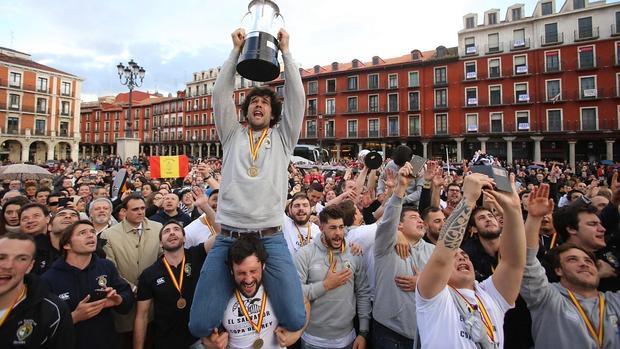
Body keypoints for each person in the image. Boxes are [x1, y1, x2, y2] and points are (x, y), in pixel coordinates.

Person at [190, 27, 306, 337]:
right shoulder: (231, 135)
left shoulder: (283, 139)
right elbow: (219, 95)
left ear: (273, 112)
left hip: (270, 237)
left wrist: (286, 52)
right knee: (199, 324)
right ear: (246, 110)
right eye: (253, 101)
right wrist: (235, 51)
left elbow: (298, 98)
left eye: (265, 103)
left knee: (295, 318)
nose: (258, 105)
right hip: (228, 236)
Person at [416, 173, 526, 348]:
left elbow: (513, 263)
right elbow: (442, 257)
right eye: (455, 257)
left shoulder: (490, 294)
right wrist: (467, 200)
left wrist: (513, 209)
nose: (461, 257)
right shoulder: (433, 297)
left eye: (465, 256)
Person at [521, 183, 620, 348]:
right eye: (573, 260)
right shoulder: (548, 298)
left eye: (589, 261)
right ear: (558, 269)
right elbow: (526, 260)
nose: (583, 263)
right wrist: (534, 218)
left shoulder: (614, 301)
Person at [202, 236, 308, 349]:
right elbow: (205, 333)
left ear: (263, 266)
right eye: (241, 273)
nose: (248, 280)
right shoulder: (221, 294)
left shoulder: (274, 286)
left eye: (253, 271)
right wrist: (210, 343)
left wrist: (297, 334)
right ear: (232, 270)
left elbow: (305, 303)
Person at [42, 220, 134, 349]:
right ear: (67, 244)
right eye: (82, 233)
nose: (91, 235)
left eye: (92, 232)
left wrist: (118, 300)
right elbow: (43, 326)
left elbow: (127, 296)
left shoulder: (106, 266)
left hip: (108, 342)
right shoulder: (49, 278)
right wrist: (74, 317)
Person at [373, 163, 434, 348]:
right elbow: (389, 219)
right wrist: (400, 188)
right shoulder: (385, 245)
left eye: (420, 219)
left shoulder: (432, 251)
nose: (420, 221)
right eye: (413, 218)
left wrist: (423, 284)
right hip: (389, 332)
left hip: (425, 330)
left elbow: (448, 284)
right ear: (399, 226)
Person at [294, 205, 371, 349]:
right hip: (313, 340)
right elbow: (296, 293)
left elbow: (363, 293)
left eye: (341, 227)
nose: (338, 233)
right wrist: (326, 285)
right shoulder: (305, 254)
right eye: (333, 228)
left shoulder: (354, 252)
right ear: (322, 228)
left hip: (348, 339)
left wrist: (363, 332)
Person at [134, 220, 215, 349]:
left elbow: (222, 233)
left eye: (176, 229)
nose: (172, 233)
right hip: (166, 341)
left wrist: (205, 206)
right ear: (160, 242)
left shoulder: (197, 254)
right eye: (166, 231)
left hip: (198, 340)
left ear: (184, 238)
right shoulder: (149, 274)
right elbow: (142, 316)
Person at [100, 193, 163, 347]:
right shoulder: (109, 234)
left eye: (143, 208)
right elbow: (110, 268)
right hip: (125, 300)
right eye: (135, 209)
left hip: (154, 300)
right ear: (124, 212)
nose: (140, 212)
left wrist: (152, 285)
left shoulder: (158, 228)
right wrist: (131, 288)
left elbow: (163, 259)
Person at [0, 232, 75, 348]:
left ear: (30, 266)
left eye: (21, 258)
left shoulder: (52, 310)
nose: (8, 265)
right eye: (1, 257)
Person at [33, 208, 81, 275]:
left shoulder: (90, 251)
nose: (68, 216)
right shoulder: (33, 250)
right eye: (61, 214)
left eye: (73, 215)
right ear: (49, 226)